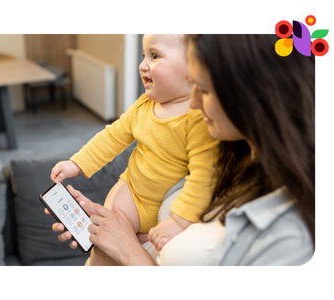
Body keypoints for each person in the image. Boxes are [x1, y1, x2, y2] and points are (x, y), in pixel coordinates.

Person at [47, 33, 325, 268]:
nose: (192, 103)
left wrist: (130, 251)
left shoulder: (288, 235)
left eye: (202, 88)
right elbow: (113, 138)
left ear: (250, 95)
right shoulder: (228, 154)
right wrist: (119, 233)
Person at [50, 33, 219, 267]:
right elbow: (112, 136)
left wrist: (180, 222)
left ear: (194, 67)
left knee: (146, 249)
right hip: (130, 192)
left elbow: (204, 176)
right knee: (102, 247)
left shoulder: (200, 119)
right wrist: (76, 163)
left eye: (155, 55)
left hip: (166, 210)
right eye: (143, 55)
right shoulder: (143, 106)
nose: (142, 65)